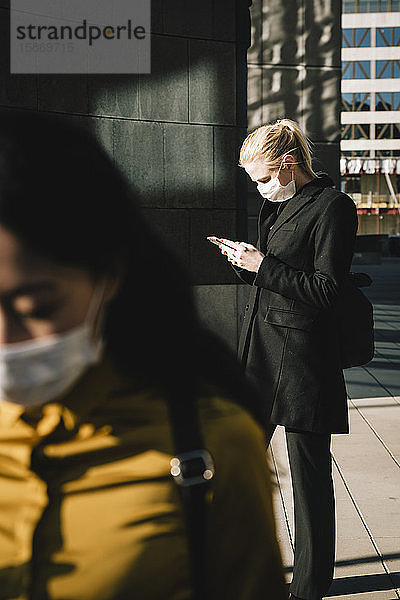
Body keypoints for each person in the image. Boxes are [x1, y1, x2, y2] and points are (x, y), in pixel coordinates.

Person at [0, 110, 287, 600]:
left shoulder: (212, 447)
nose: (6, 337)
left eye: (37, 307)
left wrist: (262, 266)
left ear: (107, 277)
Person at [216, 119, 358, 600]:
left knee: (309, 477)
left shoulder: (333, 207)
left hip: (303, 362)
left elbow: (327, 289)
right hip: (260, 355)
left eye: (261, 178)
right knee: (236, 463)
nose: (259, 188)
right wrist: (246, 265)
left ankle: (311, 585)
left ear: (288, 165)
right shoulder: (275, 206)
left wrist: (264, 266)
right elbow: (274, 276)